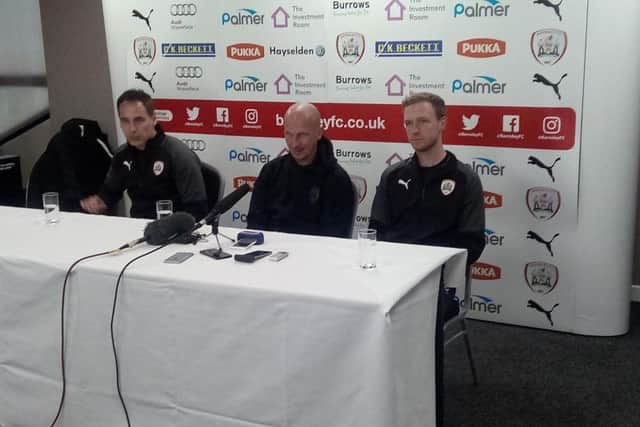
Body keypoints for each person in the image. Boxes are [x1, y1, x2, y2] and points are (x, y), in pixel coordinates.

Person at [368, 92, 485, 427]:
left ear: (442, 123)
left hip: (438, 286)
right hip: (390, 277)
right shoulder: (393, 176)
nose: (414, 130)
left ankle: (421, 411)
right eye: (408, 123)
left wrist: (430, 271)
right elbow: (377, 232)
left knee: (415, 318)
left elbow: (472, 243)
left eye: (422, 121)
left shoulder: (465, 180)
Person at [81, 89, 208, 220]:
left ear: (153, 119)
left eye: (139, 120)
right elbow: (108, 195)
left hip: (175, 232)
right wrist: (96, 204)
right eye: (125, 121)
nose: (132, 129)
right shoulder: (122, 155)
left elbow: (198, 212)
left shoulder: (178, 154)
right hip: (137, 229)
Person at [247, 103, 355, 238]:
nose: (294, 143)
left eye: (302, 135)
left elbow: (334, 239)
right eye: (289, 134)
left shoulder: (337, 180)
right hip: (269, 253)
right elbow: (254, 225)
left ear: (319, 133)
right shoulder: (271, 171)